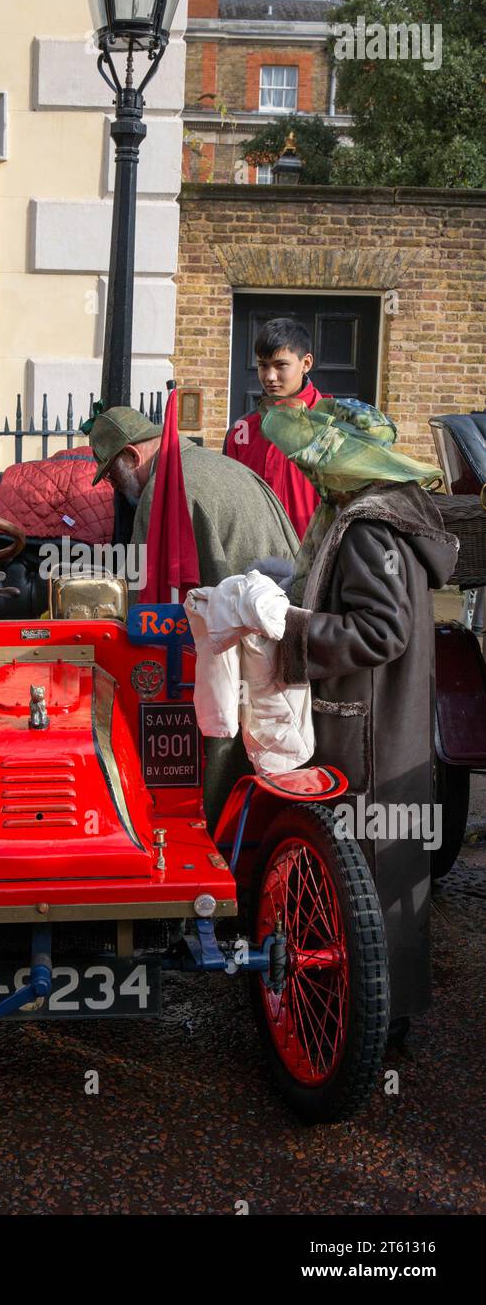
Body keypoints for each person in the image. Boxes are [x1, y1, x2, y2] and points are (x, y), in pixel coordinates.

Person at [261, 396, 459, 1023]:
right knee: (382, 873)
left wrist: (290, 631)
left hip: (365, 729)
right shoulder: (384, 516)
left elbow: (380, 632)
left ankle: (364, 1021)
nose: (310, 472)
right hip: (384, 723)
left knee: (363, 878)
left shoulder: (368, 527)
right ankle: (384, 1013)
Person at [89, 404, 299, 829]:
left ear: (132, 456)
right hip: (282, 626)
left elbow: (144, 610)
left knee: (209, 730)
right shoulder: (221, 466)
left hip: (238, 646)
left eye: (112, 474)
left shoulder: (164, 491)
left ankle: (206, 833)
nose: (115, 486)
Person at [224, 317, 327, 539]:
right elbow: (229, 501)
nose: (270, 377)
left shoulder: (333, 426)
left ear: (306, 363)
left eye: (281, 365)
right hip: (254, 561)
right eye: (263, 365)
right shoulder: (240, 432)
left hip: (317, 559)